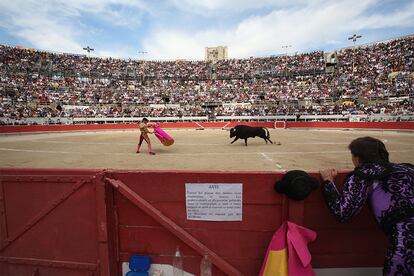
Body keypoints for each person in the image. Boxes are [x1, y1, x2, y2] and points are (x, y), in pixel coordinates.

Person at [320, 136, 413, 276]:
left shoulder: (363, 175)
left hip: (406, 241)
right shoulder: (408, 169)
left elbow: (344, 213)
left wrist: (328, 183)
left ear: (357, 159)